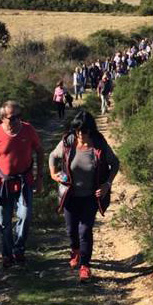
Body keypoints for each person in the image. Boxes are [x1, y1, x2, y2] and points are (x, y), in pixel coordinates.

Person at [49, 110, 119, 281]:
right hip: (70, 195)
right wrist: (53, 173)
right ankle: (75, 251)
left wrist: (107, 184)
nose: (80, 134)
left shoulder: (99, 144)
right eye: (77, 130)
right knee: (71, 230)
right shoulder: (69, 141)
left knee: (85, 230)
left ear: (91, 130)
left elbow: (115, 163)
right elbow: (53, 155)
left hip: (90, 196)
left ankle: (85, 266)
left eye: (84, 131)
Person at [0, 101, 44, 268]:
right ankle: (7, 253)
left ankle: (19, 249)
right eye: (12, 118)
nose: (16, 121)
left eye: (19, 116)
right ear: (2, 118)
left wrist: (39, 177)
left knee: (25, 215)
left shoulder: (28, 130)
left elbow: (40, 150)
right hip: (3, 184)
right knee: (4, 221)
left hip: (25, 181)